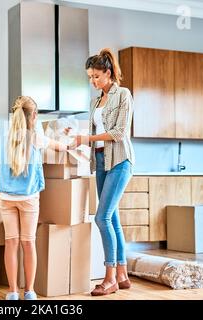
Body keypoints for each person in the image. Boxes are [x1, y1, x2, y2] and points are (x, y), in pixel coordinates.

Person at [72, 48, 135, 296]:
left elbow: (119, 133)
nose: (92, 81)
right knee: (113, 218)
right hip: (100, 162)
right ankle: (122, 273)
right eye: (90, 77)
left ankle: (109, 278)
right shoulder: (95, 100)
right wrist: (76, 140)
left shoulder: (123, 95)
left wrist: (86, 136)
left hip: (120, 161)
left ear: (108, 73)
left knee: (102, 218)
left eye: (96, 76)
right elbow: (93, 137)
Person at [0, 96, 69, 300]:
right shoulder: (36, 137)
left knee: (11, 243)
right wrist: (65, 137)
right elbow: (61, 147)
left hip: (6, 198)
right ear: (35, 116)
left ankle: (12, 292)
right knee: (28, 243)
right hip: (28, 197)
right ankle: (29, 291)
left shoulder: (6, 138)